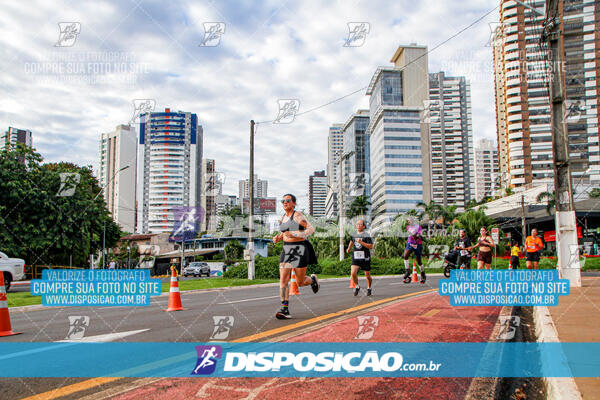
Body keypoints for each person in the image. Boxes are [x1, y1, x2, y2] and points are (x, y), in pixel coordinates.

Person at [272, 194, 320, 319]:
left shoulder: (298, 216)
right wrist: (279, 238)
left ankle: (312, 280)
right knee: (283, 280)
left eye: (288, 201)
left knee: (300, 282)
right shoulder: (282, 218)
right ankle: (284, 308)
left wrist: (294, 234)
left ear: (294, 203)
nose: (285, 203)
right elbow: (284, 232)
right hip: (286, 249)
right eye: (283, 201)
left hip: (299, 248)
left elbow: (310, 230)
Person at [346, 219, 374, 296]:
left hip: (365, 257)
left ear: (364, 226)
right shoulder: (354, 234)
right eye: (357, 224)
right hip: (356, 256)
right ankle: (357, 286)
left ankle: (369, 288)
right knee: (353, 273)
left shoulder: (367, 235)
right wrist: (348, 248)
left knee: (367, 275)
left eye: (360, 224)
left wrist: (361, 242)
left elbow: (371, 246)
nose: (358, 225)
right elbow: (352, 241)